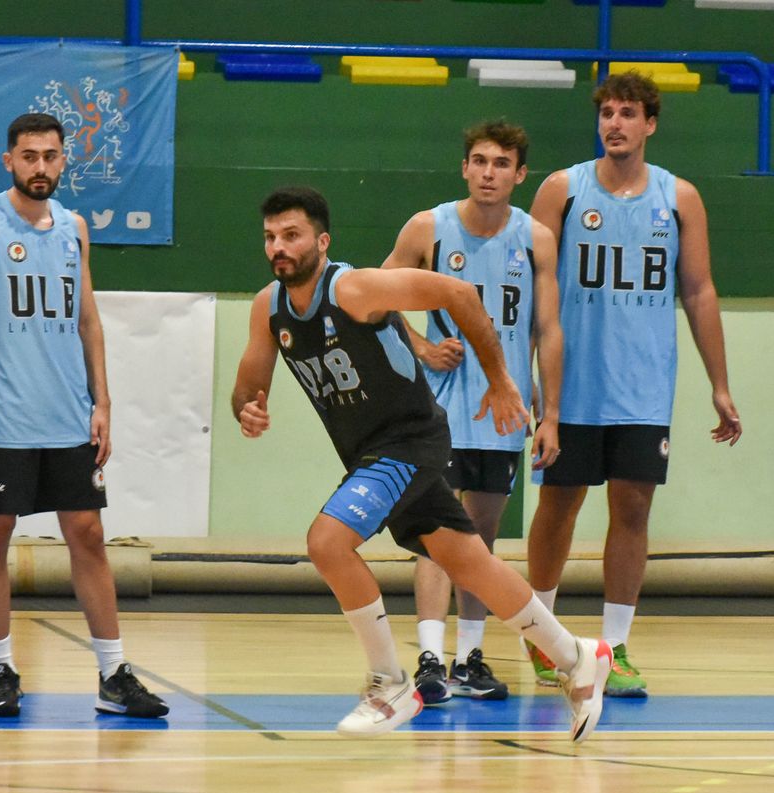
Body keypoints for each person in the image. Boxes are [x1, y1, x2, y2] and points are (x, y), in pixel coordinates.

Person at [232, 186, 610, 740]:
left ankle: (390, 685)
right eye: (270, 237)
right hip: (370, 452)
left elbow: (457, 293)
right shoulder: (269, 307)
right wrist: (247, 409)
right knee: (473, 565)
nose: (279, 248)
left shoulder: (356, 288)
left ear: (321, 240)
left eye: (291, 235)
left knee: (327, 541)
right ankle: (578, 656)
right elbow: (248, 386)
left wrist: (502, 380)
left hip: (409, 439)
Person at [0, 111, 167, 720]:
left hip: (67, 416)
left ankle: (114, 674)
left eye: (51, 156)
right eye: (29, 156)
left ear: (64, 160)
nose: (41, 166)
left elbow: (87, 319)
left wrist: (103, 402)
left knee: (88, 536)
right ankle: (2, 669)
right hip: (0, 418)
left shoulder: (75, 228)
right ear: (8, 160)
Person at [525, 72, 742, 697]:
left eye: (628, 114)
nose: (614, 123)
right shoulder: (562, 190)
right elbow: (533, 290)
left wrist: (719, 384)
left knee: (634, 508)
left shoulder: (680, 199)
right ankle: (543, 635)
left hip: (645, 384)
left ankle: (614, 648)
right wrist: (528, 380)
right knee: (559, 504)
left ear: (650, 124)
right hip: (572, 385)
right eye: (607, 114)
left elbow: (698, 291)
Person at [381, 120, 563, 706]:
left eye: (501, 163)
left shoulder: (535, 237)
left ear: (519, 174)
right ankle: (431, 658)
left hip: (501, 407)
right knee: (440, 533)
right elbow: (369, 299)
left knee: (481, 537)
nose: (489, 172)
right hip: (435, 407)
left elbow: (548, 327)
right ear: (464, 168)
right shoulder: (428, 227)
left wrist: (549, 407)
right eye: (479, 161)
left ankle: (469, 658)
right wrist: (422, 346)